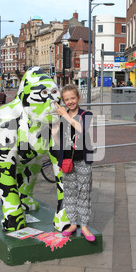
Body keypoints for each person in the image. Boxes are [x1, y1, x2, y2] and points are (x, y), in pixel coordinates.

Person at [52, 84, 95, 242]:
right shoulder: (62, 118)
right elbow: (59, 143)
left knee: (84, 192)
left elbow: (81, 129)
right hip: (67, 161)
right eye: (66, 99)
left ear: (78, 98)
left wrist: (65, 115)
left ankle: (84, 225)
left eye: (72, 98)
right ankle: (71, 223)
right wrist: (54, 134)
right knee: (69, 192)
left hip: (83, 159)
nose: (70, 101)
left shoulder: (86, 114)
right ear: (63, 101)